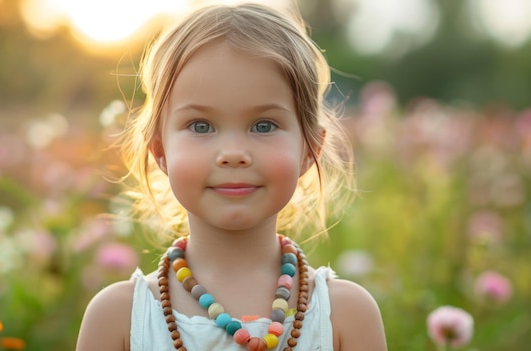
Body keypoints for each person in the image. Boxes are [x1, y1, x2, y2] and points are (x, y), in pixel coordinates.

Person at [76, 2, 386, 350]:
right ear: (160, 151)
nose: (233, 153)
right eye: (201, 126)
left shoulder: (345, 316)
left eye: (264, 125)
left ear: (309, 148)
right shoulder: (119, 319)